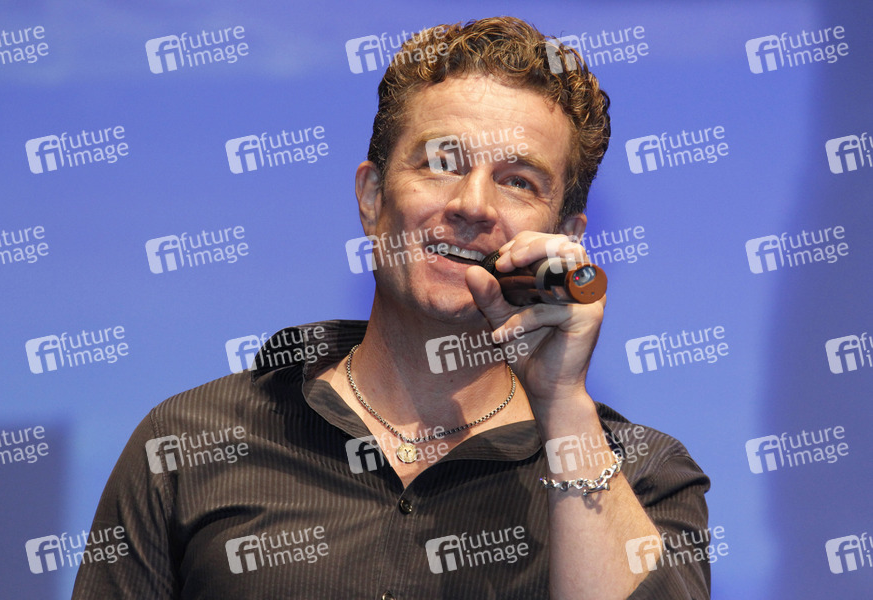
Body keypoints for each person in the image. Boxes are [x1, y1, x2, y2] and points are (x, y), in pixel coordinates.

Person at [73, 16, 710, 599]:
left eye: (518, 181)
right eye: (441, 163)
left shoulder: (644, 477)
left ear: (564, 237)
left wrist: (564, 406)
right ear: (373, 199)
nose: (473, 205)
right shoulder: (189, 442)